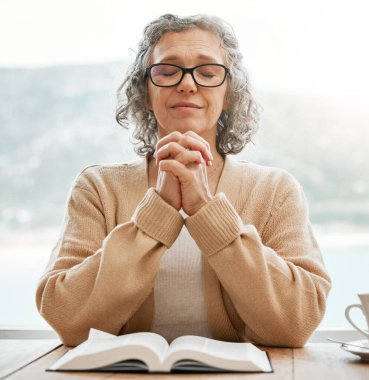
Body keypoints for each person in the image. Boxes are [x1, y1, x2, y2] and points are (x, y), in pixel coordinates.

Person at [36, 14, 331, 348]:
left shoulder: (276, 190)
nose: (187, 84)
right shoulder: (98, 188)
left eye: (207, 73)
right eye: (166, 71)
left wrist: (206, 210)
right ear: (145, 92)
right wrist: (157, 211)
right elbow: (67, 319)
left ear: (229, 93)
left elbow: (296, 323)